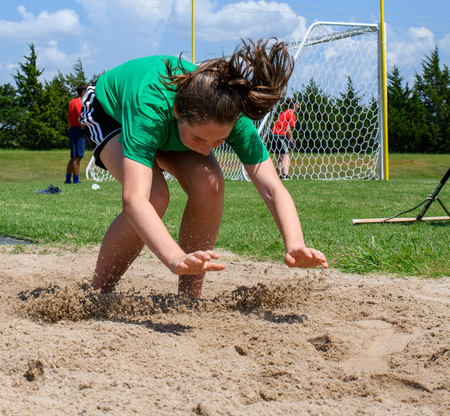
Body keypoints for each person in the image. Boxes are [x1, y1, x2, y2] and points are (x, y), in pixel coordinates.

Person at [80, 39, 328, 298]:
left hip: (169, 126)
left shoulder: (233, 116)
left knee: (209, 183)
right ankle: (98, 294)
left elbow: (271, 186)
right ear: (178, 111)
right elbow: (134, 199)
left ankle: (190, 297)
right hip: (109, 112)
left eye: (219, 141)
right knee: (154, 196)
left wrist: (295, 244)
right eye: (199, 139)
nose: (208, 149)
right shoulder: (150, 107)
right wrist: (175, 257)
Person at [269, 97, 299, 180]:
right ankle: (285, 176)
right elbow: (288, 130)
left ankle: (276, 177)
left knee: (279, 158)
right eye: (298, 104)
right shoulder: (291, 114)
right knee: (285, 156)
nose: (299, 107)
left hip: (273, 135)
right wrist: (291, 141)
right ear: (293, 105)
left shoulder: (284, 113)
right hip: (281, 136)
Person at [66, 83, 89, 184]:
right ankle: (76, 181)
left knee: (73, 156)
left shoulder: (72, 101)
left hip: (72, 129)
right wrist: (87, 130)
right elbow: (80, 120)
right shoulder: (79, 103)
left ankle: (67, 180)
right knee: (77, 157)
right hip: (78, 130)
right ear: (83, 92)